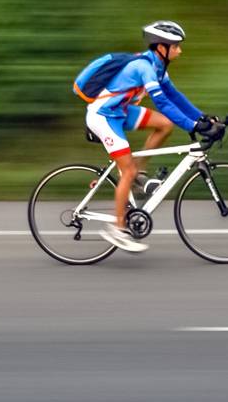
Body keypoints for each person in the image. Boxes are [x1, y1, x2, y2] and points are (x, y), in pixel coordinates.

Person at [83, 20, 216, 253]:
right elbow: (162, 102)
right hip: (103, 116)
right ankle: (118, 228)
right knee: (128, 169)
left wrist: (203, 118)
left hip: (120, 111)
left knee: (165, 125)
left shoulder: (157, 67)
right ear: (161, 47)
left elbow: (175, 96)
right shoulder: (143, 68)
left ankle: (137, 175)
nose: (180, 50)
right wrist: (192, 124)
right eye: (175, 46)